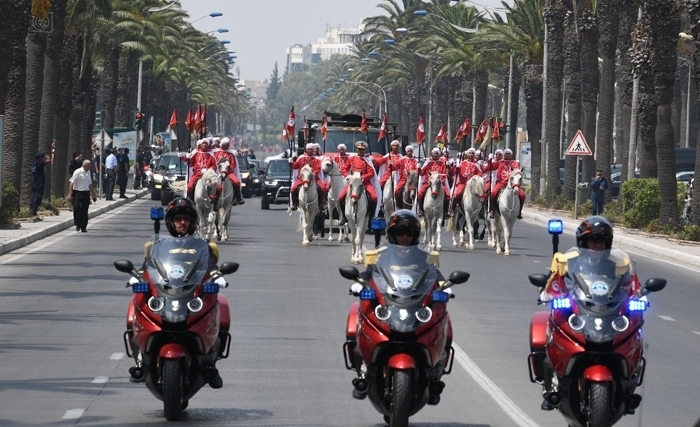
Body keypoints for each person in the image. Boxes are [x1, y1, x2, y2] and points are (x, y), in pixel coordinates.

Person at [136, 197, 227, 388]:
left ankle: (211, 363)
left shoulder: (202, 245)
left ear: (192, 221)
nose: (182, 223)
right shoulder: (158, 245)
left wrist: (217, 275)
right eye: (178, 219)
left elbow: (210, 264)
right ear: (171, 222)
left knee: (222, 306)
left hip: (192, 291)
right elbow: (148, 266)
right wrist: (137, 276)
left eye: (186, 218)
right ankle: (138, 357)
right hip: (165, 290)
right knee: (135, 304)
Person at [338, 141, 380, 224]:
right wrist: (348, 176)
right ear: (357, 149)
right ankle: (343, 216)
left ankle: (371, 217)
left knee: (374, 197)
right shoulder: (352, 158)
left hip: (364, 182)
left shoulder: (367, 160)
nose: (360, 151)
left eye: (362, 149)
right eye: (359, 149)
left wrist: (363, 178)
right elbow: (344, 169)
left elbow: (371, 172)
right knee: (340, 197)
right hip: (353, 182)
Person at [483, 148, 525, 219]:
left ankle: (519, 212)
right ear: (504, 155)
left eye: (509, 154)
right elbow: (490, 168)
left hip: (512, 183)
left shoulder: (514, 163)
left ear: (511, 155)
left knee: (522, 195)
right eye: (506, 154)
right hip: (501, 182)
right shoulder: (500, 162)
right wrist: (490, 161)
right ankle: (492, 210)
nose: (507, 155)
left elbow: (517, 171)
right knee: (493, 193)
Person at [289, 143, 328, 211]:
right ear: (306, 150)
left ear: (313, 150)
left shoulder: (317, 159)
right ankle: (294, 204)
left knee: (323, 188)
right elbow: (295, 166)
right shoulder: (301, 158)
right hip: (302, 178)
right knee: (293, 189)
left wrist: (312, 174)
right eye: (308, 149)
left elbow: (317, 169)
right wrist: (291, 162)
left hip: (314, 178)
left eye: (311, 149)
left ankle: (322, 203)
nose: (310, 150)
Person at [417, 148, 451, 218]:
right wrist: (419, 168)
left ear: (439, 154)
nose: (435, 154)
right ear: (432, 154)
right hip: (428, 182)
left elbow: (445, 175)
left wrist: (448, 167)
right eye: (434, 153)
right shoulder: (428, 162)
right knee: (420, 193)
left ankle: (446, 212)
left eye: (437, 153)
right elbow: (421, 173)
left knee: (448, 195)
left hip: (439, 183)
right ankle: (420, 210)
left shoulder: (442, 163)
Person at [450, 148, 483, 217]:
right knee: (456, 194)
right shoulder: (462, 163)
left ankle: (481, 209)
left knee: (481, 194)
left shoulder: (476, 164)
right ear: (467, 154)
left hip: (472, 184)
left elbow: (480, 174)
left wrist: (475, 178)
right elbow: (455, 172)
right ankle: (452, 209)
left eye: (473, 153)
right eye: (469, 153)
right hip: (463, 182)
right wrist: (457, 167)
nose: (471, 154)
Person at [213, 137, 245, 205]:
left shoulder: (231, 153)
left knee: (237, 182)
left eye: (228, 144)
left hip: (228, 172)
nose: (228, 145)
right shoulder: (216, 152)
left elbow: (233, 164)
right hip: (217, 172)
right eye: (227, 144)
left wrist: (227, 170)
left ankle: (238, 198)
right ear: (223, 145)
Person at [68, 160, 97, 232]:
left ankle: (83, 226)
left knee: (85, 210)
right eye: (90, 165)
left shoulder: (88, 172)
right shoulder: (78, 172)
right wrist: (70, 194)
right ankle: (77, 224)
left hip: (86, 193)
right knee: (77, 208)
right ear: (86, 165)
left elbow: (89, 184)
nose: (91, 166)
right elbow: (71, 183)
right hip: (77, 192)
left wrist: (93, 194)